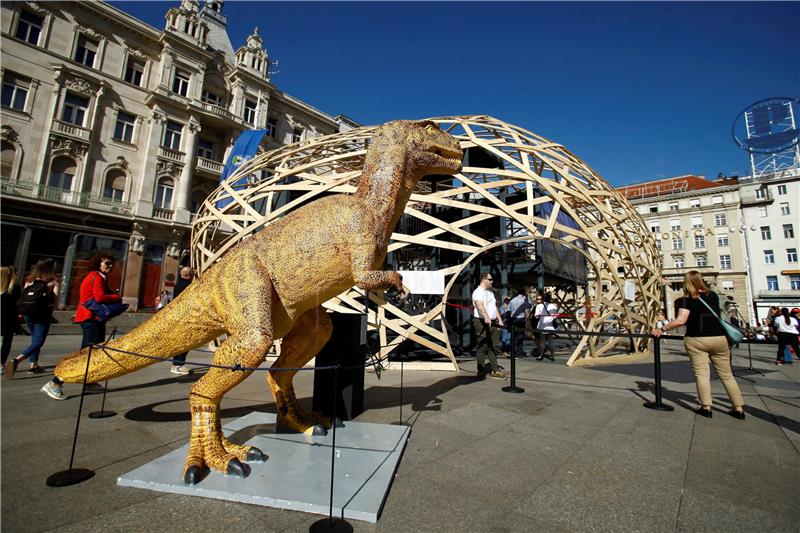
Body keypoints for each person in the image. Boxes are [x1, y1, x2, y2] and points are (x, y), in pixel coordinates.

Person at [652, 270, 745, 419]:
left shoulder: (686, 299)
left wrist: (662, 329)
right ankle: (738, 408)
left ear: (687, 283)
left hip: (697, 339)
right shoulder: (713, 296)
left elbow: (681, 320)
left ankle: (706, 407)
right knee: (727, 375)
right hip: (719, 338)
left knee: (702, 374)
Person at [41, 253, 121, 400]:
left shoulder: (94, 276)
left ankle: (89, 382)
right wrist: (116, 297)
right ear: (99, 263)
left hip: (92, 318)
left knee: (93, 352)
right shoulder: (96, 277)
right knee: (86, 353)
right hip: (92, 319)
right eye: (106, 263)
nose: (109, 266)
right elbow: (99, 297)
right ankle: (56, 382)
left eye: (111, 264)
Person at [5, 259, 59, 378]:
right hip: (43, 314)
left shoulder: (29, 280)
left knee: (35, 340)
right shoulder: (53, 282)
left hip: (28, 313)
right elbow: (55, 302)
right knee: (38, 341)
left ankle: (33, 365)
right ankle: (16, 361)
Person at [472, 272, 505, 379]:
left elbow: (494, 308)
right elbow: (479, 305)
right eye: (490, 279)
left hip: (493, 322)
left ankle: (495, 370)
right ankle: (480, 370)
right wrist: (485, 316)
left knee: (493, 346)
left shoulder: (490, 292)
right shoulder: (478, 292)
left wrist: (499, 320)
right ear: (484, 280)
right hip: (481, 322)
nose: (492, 281)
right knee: (482, 346)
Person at [168, 266, 194, 375]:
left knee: (180, 341)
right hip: (186, 317)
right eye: (192, 274)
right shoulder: (188, 286)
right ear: (189, 275)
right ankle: (179, 365)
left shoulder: (177, 285)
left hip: (178, 316)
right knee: (185, 342)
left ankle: (176, 365)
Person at [1, 266, 22, 374]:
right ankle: (1, 364)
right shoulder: (15, 288)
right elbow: (17, 303)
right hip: (9, 319)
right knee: (6, 342)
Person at [532, 293, 557, 361]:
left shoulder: (539, 306)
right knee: (550, 341)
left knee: (542, 342)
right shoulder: (554, 306)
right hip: (550, 326)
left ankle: (541, 355)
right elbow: (555, 316)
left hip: (542, 326)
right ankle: (552, 355)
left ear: (543, 299)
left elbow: (536, 316)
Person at [508, 288, 530, 358]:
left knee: (513, 337)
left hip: (513, 319)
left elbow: (509, 310)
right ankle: (519, 353)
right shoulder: (523, 300)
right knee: (520, 337)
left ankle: (512, 352)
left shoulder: (512, 300)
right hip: (521, 319)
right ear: (523, 293)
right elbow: (529, 307)